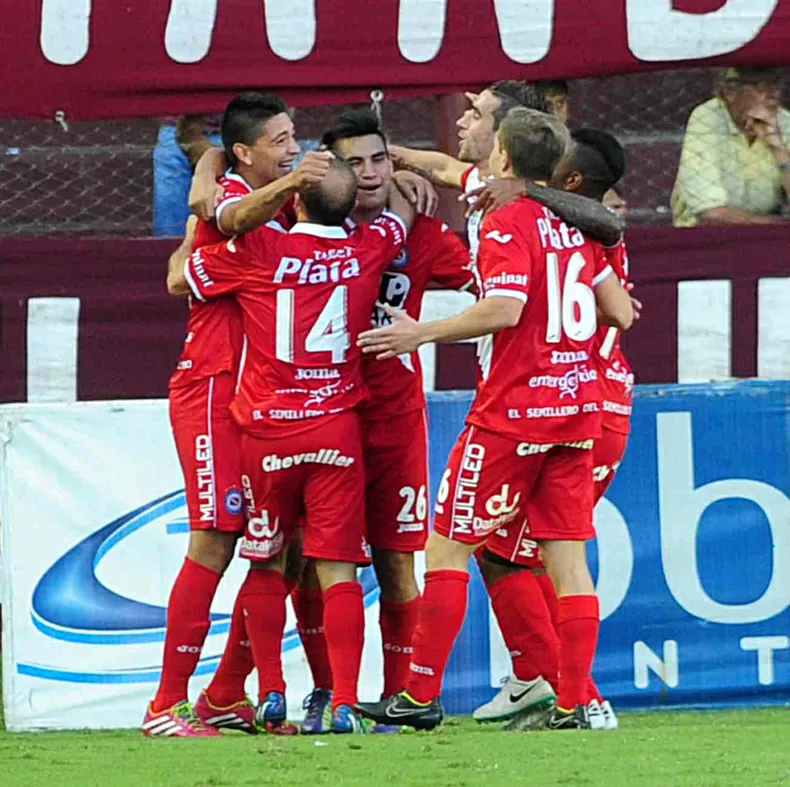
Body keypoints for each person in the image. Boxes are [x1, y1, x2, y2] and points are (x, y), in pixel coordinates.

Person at [356, 108, 633, 731]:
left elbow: (504, 309)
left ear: (504, 160)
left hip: (512, 413)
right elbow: (619, 310)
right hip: (577, 409)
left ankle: (420, 697)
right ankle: (572, 706)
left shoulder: (508, 221)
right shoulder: (575, 224)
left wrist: (419, 334)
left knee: (448, 546)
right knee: (566, 562)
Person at [169, 157, 415, 734]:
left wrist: (187, 237)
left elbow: (185, 277)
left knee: (268, 559)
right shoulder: (367, 250)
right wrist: (404, 182)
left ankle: (272, 691)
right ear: (349, 209)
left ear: (296, 204)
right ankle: (347, 702)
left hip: (268, 432)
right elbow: (398, 221)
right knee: (337, 571)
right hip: (336, 428)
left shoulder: (261, 250)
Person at [143, 92, 333, 738]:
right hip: (212, 390)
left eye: (294, 135)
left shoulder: (273, 212)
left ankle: (226, 693)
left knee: (281, 546)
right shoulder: (236, 208)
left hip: (265, 401)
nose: (293, 148)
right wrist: (216, 168)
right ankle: (165, 705)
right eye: (280, 140)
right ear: (248, 154)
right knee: (216, 537)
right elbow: (181, 274)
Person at [290, 108, 476, 734]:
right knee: (315, 561)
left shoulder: (420, 232)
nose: (369, 175)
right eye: (355, 163)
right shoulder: (301, 226)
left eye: (379, 160)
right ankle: (325, 689)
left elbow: (494, 280)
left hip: (395, 417)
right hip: (321, 414)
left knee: (400, 561)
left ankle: (398, 699)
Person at [473, 129, 632, 732]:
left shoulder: (561, 224)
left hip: (564, 403)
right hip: (592, 402)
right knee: (524, 553)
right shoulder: (590, 225)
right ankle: (546, 685)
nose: (477, 133)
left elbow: (612, 311)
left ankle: (577, 697)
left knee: (514, 555)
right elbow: (621, 311)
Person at [388, 80, 623, 263]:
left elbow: (608, 221)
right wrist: (377, 154)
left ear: (504, 131)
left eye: (477, 115)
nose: (462, 122)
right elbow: (442, 167)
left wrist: (526, 189)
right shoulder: (482, 178)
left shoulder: (543, 188)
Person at [672, 67, 790, 227]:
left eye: (776, 84)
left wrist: (777, 146)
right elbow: (710, 213)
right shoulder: (707, 117)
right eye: (762, 86)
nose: (773, 94)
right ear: (731, 91)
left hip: (766, 233)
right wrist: (778, 226)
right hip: (705, 235)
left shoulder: (783, 120)